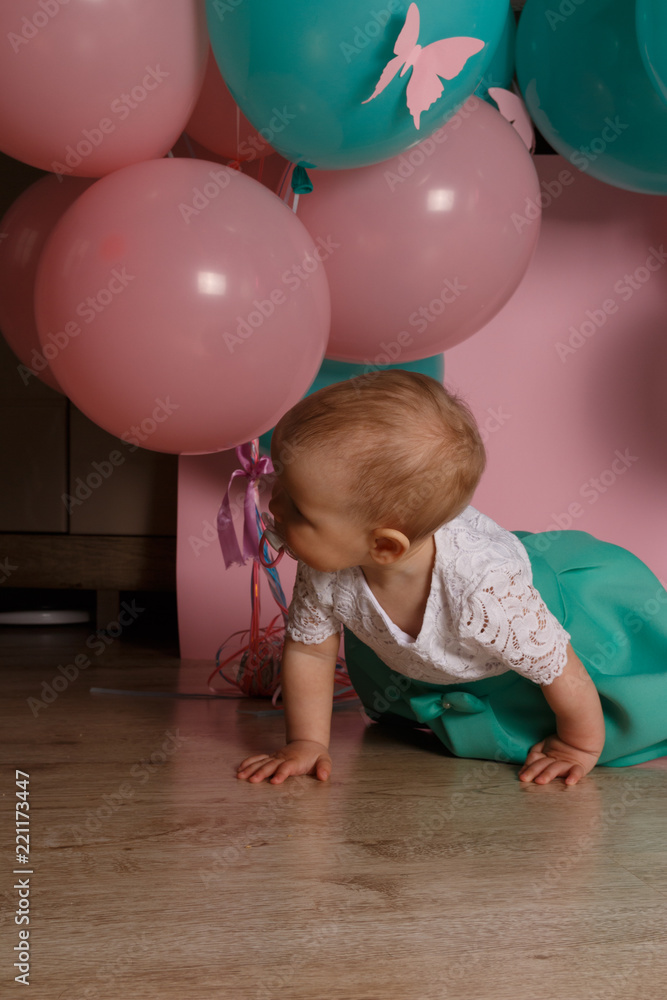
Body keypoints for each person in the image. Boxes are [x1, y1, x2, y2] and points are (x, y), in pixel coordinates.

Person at [237, 370, 667, 786]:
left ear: (385, 547)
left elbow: (562, 670)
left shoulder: (487, 592)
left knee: (550, 693)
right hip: (435, 649)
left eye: (298, 506)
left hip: (537, 640)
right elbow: (311, 651)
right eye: (282, 482)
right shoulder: (328, 561)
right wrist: (307, 742)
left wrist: (578, 746)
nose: (275, 503)